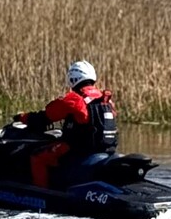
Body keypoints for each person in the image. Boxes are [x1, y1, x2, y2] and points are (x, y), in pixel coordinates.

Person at [14, 60, 118, 188]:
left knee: (38, 157)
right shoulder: (105, 99)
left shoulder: (75, 98)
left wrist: (23, 117)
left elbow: (46, 116)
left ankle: (41, 192)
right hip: (105, 149)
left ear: (73, 78)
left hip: (79, 148)